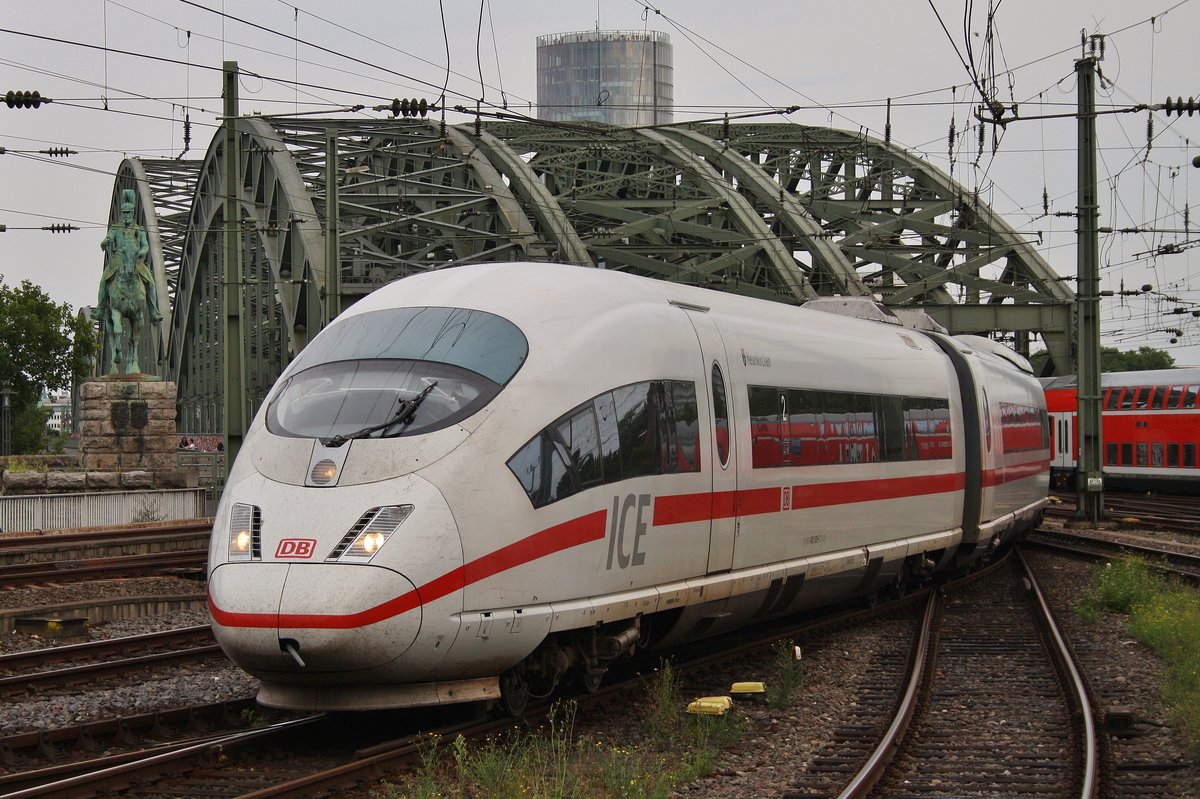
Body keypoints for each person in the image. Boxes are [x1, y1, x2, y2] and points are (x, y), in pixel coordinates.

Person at [92, 189, 162, 325]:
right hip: (118, 260)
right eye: (124, 213)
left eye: (128, 213)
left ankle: (154, 312)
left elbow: (145, 245)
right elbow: (109, 238)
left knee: (151, 283)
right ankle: (99, 309)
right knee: (103, 282)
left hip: (136, 261)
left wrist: (142, 251)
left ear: (132, 213)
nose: (125, 216)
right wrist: (105, 242)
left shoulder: (139, 229)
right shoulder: (115, 228)